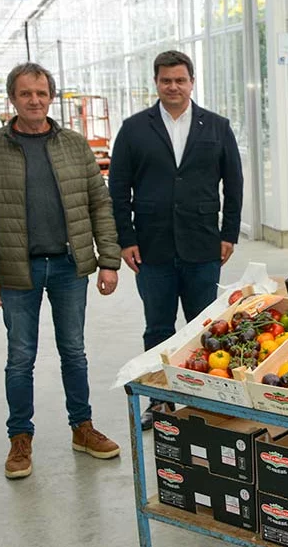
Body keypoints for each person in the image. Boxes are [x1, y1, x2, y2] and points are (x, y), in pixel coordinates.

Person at [0, 62, 122, 480]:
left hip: (70, 267)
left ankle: (82, 428)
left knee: (74, 352)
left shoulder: (73, 144)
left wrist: (109, 259)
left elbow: (99, 204)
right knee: (20, 358)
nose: (34, 100)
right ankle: (20, 438)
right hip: (17, 271)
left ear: (51, 96)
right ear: (12, 98)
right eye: (25, 93)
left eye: (41, 93)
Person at [108, 50, 244, 429]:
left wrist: (228, 232)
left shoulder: (216, 126)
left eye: (180, 80)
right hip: (152, 248)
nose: (173, 87)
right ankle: (160, 400)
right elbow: (118, 189)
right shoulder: (134, 129)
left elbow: (233, 184)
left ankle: (204, 397)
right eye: (166, 80)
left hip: (203, 245)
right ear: (156, 83)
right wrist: (126, 238)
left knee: (204, 327)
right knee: (159, 328)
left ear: (191, 82)